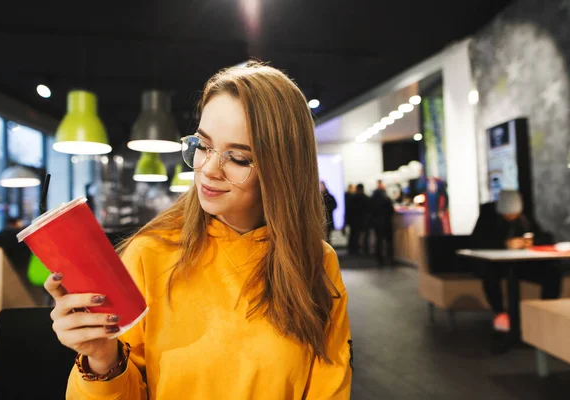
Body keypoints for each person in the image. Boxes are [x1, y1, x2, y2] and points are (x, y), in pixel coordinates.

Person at [45, 62, 352, 399]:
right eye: (203, 145)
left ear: (284, 168)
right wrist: (103, 358)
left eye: (237, 157)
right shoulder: (151, 253)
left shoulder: (317, 263)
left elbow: (330, 387)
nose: (208, 168)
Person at [472, 190, 561, 346]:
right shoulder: (488, 216)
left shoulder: (524, 217)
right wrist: (504, 244)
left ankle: (545, 316)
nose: (512, 217)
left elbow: (544, 236)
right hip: (495, 266)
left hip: (522, 265)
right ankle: (501, 316)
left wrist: (532, 242)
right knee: (490, 275)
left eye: (515, 214)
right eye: (509, 215)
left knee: (553, 272)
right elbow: (477, 242)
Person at [368, 180, 395, 265]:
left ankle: (379, 259)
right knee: (388, 241)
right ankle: (390, 258)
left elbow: (370, 210)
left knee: (379, 240)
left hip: (377, 222)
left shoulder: (372, 198)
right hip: (386, 222)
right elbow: (391, 210)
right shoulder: (386, 198)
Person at [347, 184, 369, 255]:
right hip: (362, 220)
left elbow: (349, 210)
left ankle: (352, 250)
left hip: (353, 220)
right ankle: (362, 250)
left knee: (353, 235)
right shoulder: (365, 198)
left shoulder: (352, 198)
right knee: (360, 235)